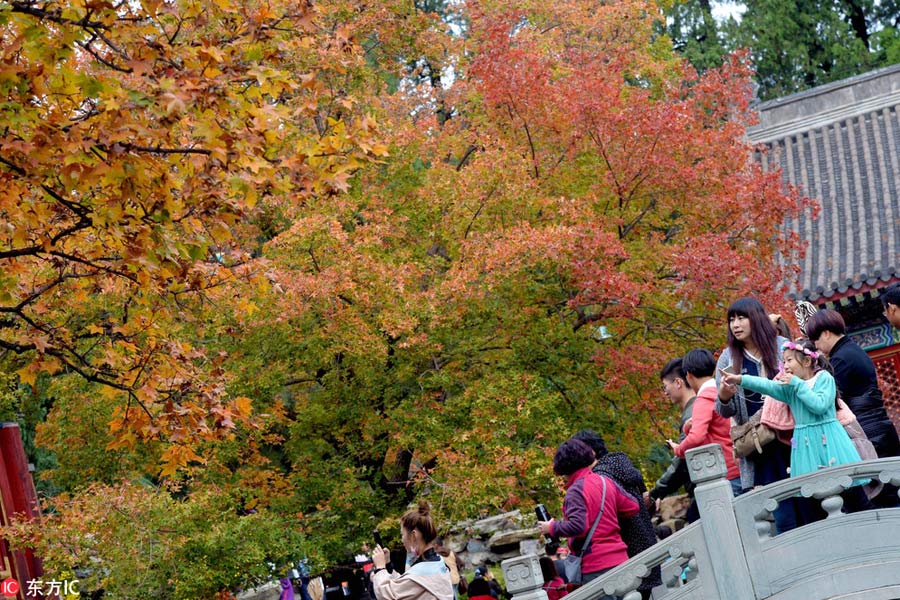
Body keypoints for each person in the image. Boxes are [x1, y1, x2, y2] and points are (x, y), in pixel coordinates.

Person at [720, 339, 872, 514]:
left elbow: (819, 405)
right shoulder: (790, 387)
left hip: (830, 440)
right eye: (784, 361)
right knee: (819, 500)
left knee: (852, 493)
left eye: (789, 360)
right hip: (806, 445)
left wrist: (797, 384)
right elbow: (766, 385)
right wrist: (739, 379)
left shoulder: (824, 378)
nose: (785, 365)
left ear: (807, 361)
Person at [714, 297, 801, 532]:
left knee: (807, 503)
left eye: (741, 317)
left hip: (794, 436)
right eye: (732, 319)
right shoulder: (728, 358)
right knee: (783, 514)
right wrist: (723, 394)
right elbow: (722, 410)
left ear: (757, 318)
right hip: (762, 444)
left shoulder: (782, 346)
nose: (736, 324)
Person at [804, 309, 900, 506]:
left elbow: (831, 400)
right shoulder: (853, 350)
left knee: (883, 499)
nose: (816, 346)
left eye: (816, 340)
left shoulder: (841, 359)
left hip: (869, 434)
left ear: (826, 333)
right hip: (881, 429)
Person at [538, 439, 639, 597]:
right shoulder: (605, 482)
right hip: (621, 558)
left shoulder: (575, 491)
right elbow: (632, 506)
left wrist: (550, 528)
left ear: (563, 466)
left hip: (596, 566)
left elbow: (578, 526)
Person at [571, 429, 659, 600]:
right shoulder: (623, 466)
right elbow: (647, 504)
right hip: (646, 542)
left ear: (591, 453)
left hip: (624, 552)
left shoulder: (600, 479)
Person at [669, 349, 741, 497]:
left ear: (688, 375)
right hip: (738, 465)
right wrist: (688, 427)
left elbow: (697, 437)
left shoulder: (703, 399)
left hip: (725, 470)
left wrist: (678, 449)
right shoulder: (720, 391)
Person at [646, 358, 697, 521]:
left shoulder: (692, 413)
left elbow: (682, 461)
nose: (665, 392)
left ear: (678, 382)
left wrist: (655, 492)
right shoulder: (696, 407)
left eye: (665, 387)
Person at [371, 502, 453, 600]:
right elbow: (405, 585)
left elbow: (387, 595)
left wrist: (380, 568)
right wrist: (388, 564)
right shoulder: (438, 562)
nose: (402, 540)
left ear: (413, 536)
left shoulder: (422, 571)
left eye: (402, 534)